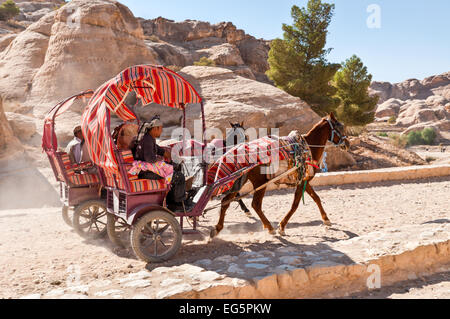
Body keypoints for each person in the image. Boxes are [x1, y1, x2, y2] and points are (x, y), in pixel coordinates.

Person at [130, 116, 191, 211]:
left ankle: (171, 200)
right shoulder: (148, 140)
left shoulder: (149, 138)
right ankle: (177, 204)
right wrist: (160, 160)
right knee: (179, 177)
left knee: (174, 169)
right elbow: (150, 159)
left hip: (145, 170)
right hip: (146, 173)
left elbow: (158, 149)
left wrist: (169, 155)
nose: (161, 132)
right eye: (160, 129)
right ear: (155, 128)